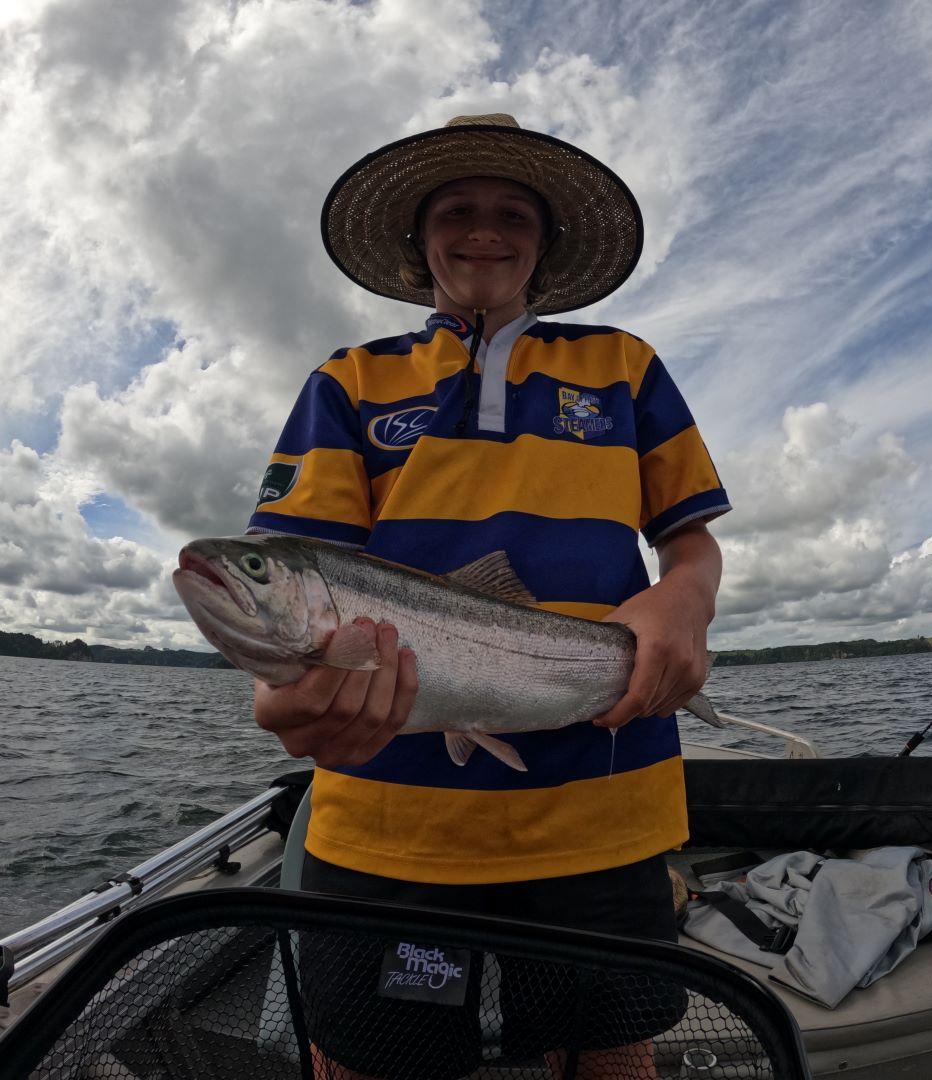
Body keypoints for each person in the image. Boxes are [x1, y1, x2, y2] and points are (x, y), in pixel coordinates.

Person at [247, 114, 729, 1079]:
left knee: (608, 1054)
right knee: (363, 1061)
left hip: (606, 802)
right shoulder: (347, 381)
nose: (484, 230)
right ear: (418, 239)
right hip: (388, 824)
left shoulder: (622, 366)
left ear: (545, 243)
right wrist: (284, 699)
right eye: (456, 209)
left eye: (513, 212)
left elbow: (690, 543)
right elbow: (300, 587)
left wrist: (685, 601)